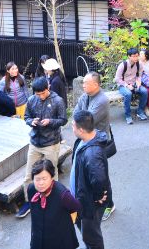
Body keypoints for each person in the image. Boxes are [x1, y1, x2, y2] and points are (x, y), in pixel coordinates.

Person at [16, 77, 68, 219]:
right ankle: (29, 202)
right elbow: (26, 117)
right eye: (38, 94)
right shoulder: (32, 100)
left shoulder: (57, 101)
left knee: (52, 174)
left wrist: (50, 122)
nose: (40, 96)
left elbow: (64, 119)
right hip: (34, 143)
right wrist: (31, 121)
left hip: (51, 143)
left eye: (43, 93)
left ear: (48, 88)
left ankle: (53, 201)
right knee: (28, 176)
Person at [72, 71, 116, 222]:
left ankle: (109, 204)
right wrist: (80, 118)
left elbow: (85, 121)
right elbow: (76, 114)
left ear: (96, 85)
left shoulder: (102, 100)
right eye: (83, 82)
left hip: (99, 142)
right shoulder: (86, 95)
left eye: (86, 83)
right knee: (90, 173)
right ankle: (94, 199)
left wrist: (80, 118)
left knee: (101, 175)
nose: (83, 85)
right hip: (88, 140)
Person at [71, 110, 113, 249]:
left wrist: (98, 197)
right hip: (82, 198)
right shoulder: (85, 140)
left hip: (90, 204)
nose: (72, 127)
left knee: (92, 237)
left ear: (81, 130)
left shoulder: (92, 154)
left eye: (73, 126)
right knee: (86, 230)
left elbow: (99, 180)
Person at [27, 158, 80, 249]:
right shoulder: (31, 189)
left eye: (44, 178)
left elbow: (77, 207)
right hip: (38, 240)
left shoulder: (62, 194)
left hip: (60, 242)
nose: (41, 183)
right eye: (37, 179)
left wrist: (66, 222)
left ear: (52, 178)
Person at [114, 47, 148, 124]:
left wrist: (138, 82)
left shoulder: (139, 64)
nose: (136, 58)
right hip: (123, 85)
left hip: (134, 83)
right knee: (128, 94)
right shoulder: (123, 65)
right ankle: (128, 115)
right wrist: (126, 85)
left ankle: (140, 111)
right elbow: (117, 79)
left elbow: (139, 75)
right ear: (129, 56)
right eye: (134, 56)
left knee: (144, 91)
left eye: (137, 56)